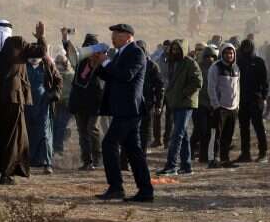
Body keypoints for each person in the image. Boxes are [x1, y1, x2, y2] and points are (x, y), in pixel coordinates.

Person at [0, 20, 47, 184]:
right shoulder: (17, 42)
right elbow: (41, 52)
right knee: (13, 136)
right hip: (13, 98)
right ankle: (6, 174)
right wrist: (41, 37)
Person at [91, 24, 153, 202]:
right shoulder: (120, 54)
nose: (113, 37)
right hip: (122, 109)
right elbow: (112, 77)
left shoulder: (136, 52)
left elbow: (126, 75)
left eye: (116, 34)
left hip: (129, 109)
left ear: (127, 36)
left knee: (109, 144)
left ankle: (116, 187)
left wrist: (106, 62)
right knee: (134, 151)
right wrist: (98, 66)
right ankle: (145, 190)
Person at [158, 40, 201, 176]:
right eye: (173, 49)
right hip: (175, 102)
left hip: (186, 103)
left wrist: (184, 93)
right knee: (184, 135)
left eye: (178, 49)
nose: (175, 51)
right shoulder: (170, 62)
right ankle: (186, 165)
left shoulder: (190, 63)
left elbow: (198, 82)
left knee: (177, 134)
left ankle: (171, 166)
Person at [66, 34, 104, 170]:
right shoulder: (79, 62)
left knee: (92, 129)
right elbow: (69, 52)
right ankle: (87, 161)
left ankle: (97, 158)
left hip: (95, 103)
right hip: (79, 103)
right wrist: (65, 38)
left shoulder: (101, 64)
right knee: (83, 132)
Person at [24, 53, 62, 174]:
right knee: (28, 133)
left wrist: (54, 94)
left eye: (37, 54)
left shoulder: (47, 65)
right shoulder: (23, 66)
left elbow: (58, 80)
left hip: (43, 105)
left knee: (44, 133)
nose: (34, 57)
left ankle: (47, 163)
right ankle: (27, 162)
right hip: (27, 106)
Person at [207, 43, 240, 167]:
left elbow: (237, 87)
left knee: (228, 135)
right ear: (222, 54)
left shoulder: (236, 68)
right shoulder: (215, 68)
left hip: (233, 108)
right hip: (220, 108)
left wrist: (237, 104)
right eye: (226, 53)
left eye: (231, 53)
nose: (229, 55)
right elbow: (211, 87)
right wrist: (216, 105)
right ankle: (213, 159)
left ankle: (225, 159)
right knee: (216, 135)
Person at [236, 39, 269, 163]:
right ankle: (245, 154)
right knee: (243, 127)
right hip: (241, 100)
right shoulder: (238, 62)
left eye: (248, 47)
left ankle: (263, 153)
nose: (246, 49)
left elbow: (264, 81)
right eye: (244, 47)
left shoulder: (259, 62)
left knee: (258, 126)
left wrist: (263, 97)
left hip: (255, 99)